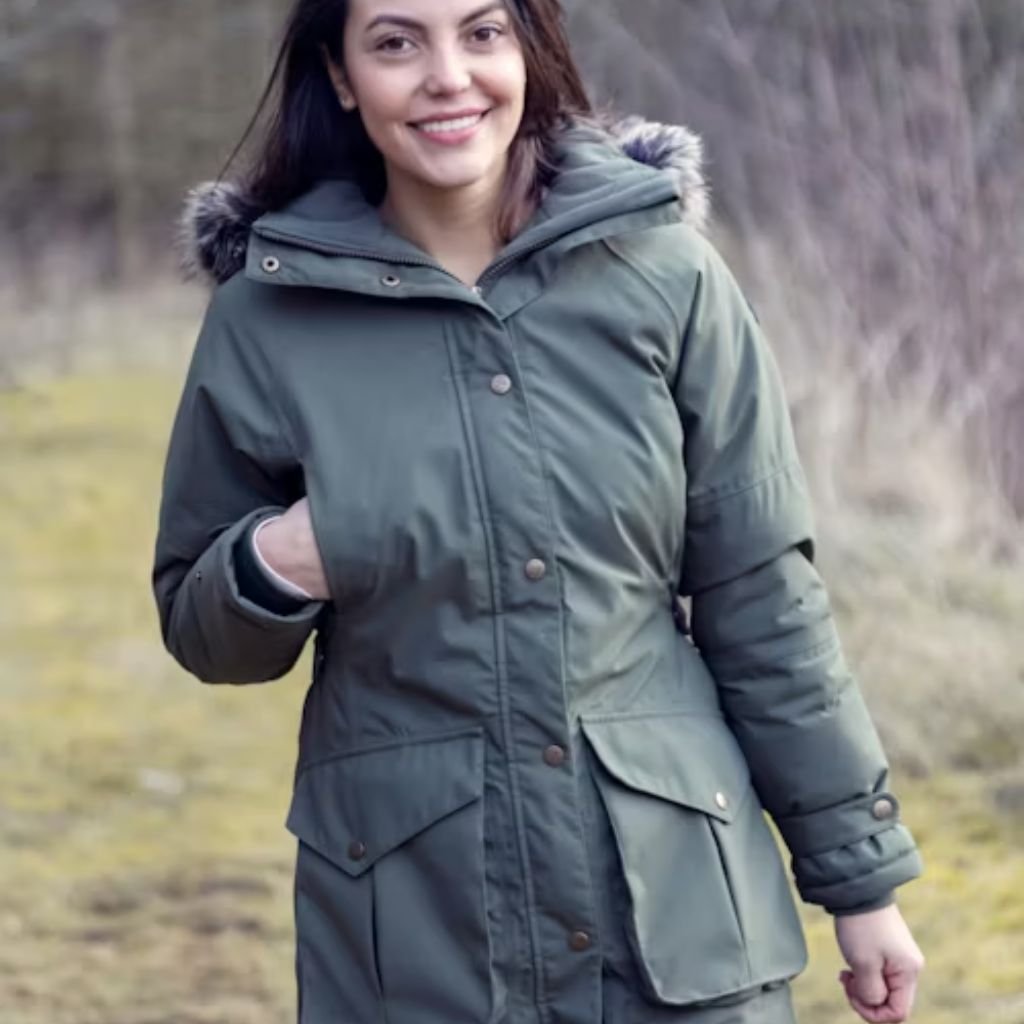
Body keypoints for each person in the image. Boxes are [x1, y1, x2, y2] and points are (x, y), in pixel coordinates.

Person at [152, 1, 925, 1021]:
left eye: (482, 33)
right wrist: (280, 560)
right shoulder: (269, 311)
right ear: (340, 76)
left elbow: (763, 599)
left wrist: (859, 880)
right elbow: (202, 628)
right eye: (396, 42)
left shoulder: (663, 275)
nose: (447, 76)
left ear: (530, 51)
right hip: (416, 936)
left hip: (676, 917)